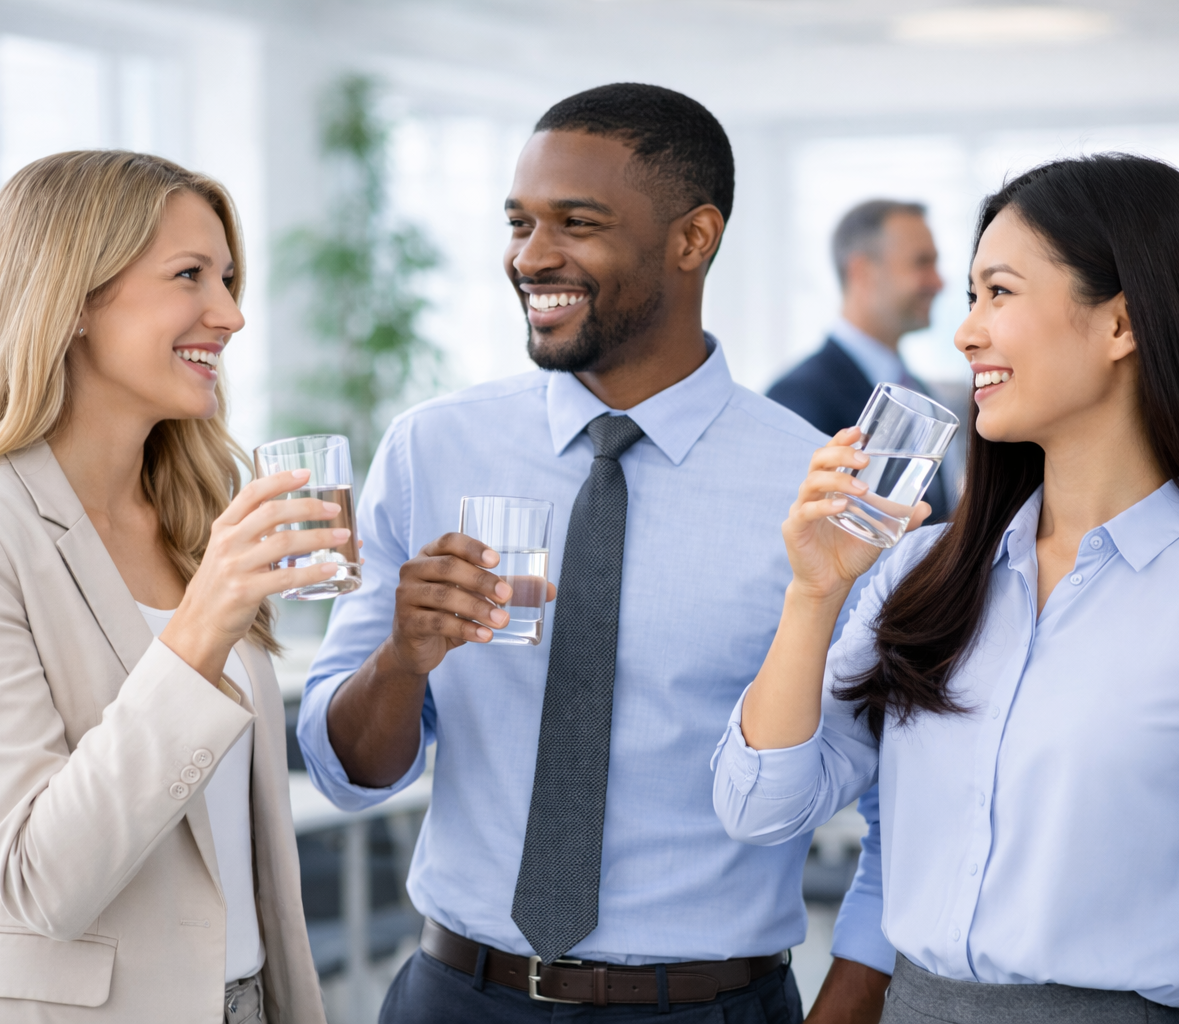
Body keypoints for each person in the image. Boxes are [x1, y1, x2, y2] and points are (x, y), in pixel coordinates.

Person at [713, 154, 1179, 1022]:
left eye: (999, 293)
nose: (965, 332)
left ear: (1121, 323)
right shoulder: (921, 570)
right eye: (970, 296)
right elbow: (759, 807)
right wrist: (813, 595)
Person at [298, 83, 863, 1023]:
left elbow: (871, 797)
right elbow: (348, 773)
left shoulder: (813, 495)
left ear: (694, 238)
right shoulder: (433, 448)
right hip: (457, 996)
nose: (530, 257)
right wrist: (401, 659)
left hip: (705, 1006)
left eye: (577, 223)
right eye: (519, 223)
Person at [0, 151, 328, 1023]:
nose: (231, 314)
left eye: (229, 280)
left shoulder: (196, 521)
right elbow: (41, 880)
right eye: (189, 275)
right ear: (74, 300)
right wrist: (197, 635)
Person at [766, 200, 955, 522]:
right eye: (922, 263)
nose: (939, 282)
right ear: (863, 272)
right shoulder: (797, 398)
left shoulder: (919, 390)